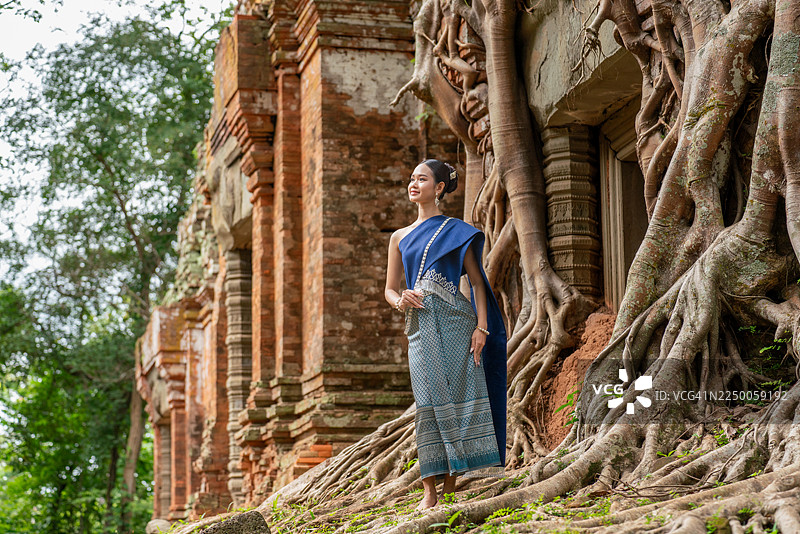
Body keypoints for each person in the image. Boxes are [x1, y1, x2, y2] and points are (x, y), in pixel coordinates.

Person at [384, 158, 507, 510]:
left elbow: (477, 283)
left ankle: (451, 485)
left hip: (457, 323)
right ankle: (429, 491)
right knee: (427, 403)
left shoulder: (458, 231)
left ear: (439, 188)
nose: (413, 184)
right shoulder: (399, 237)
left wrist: (481, 329)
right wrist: (400, 301)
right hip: (420, 327)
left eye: (421, 179)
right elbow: (390, 290)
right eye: (411, 179)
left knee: (456, 399)